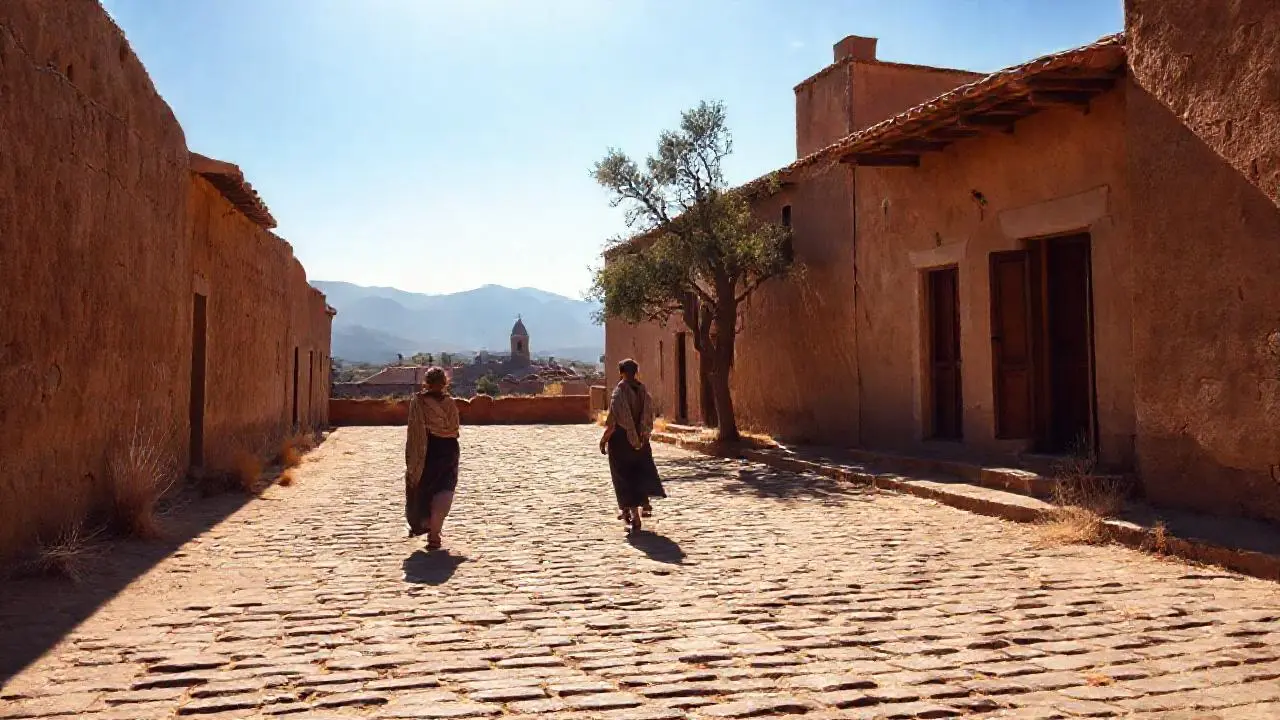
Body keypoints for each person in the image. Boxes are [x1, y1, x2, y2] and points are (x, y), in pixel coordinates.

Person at [599, 358, 666, 532]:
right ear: (636, 372)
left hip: (622, 441)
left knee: (623, 477)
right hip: (642, 440)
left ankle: (633, 514)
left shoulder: (619, 392)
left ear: (621, 372)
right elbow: (649, 415)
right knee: (639, 473)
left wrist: (604, 439)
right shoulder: (643, 390)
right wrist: (642, 435)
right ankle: (641, 505)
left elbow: (614, 421)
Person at [405, 366, 461, 550]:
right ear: (445, 382)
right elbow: (454, 428)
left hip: (427, 449)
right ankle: (435, 534)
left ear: (426, 383)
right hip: (449, 448)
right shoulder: (450, 403)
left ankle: (426, 524)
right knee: (445, 488)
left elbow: (414, 431)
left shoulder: (419, 403)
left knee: (426, 488)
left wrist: (412, 457)